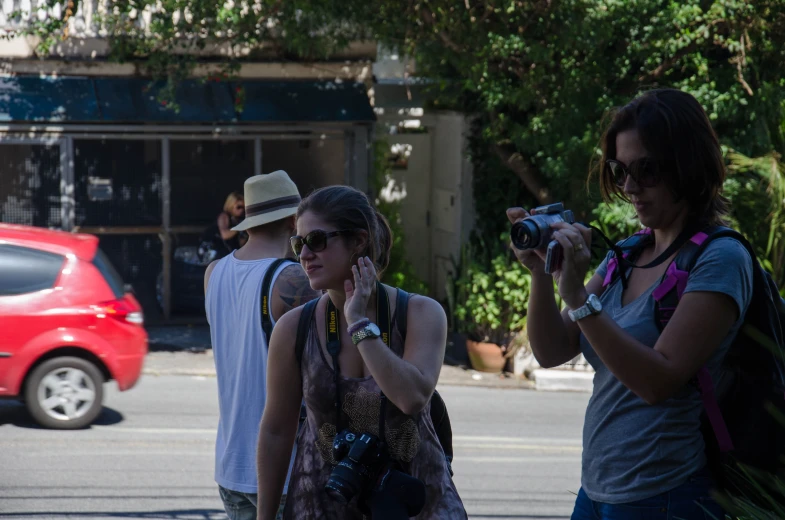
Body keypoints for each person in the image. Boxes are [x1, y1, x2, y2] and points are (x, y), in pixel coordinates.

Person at [508, 88, 753, 519]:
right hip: (597, 492)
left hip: (666, 496)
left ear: (688, 164)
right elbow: (550, 350)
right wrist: (540, 275)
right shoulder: (628, 251)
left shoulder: (720, 258)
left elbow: (657, 382)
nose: (630, 187)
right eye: (619, 170)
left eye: (647, 170)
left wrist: (580, 298)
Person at [256, 185, 467, 520]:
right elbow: (276, 430)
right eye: (299, 244)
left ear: (359, 241)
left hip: (413, 505)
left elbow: (410, 397)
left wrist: (357, 323)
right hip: (322, 505)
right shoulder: (294, 328)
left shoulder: (421, 314)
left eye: (317, 240)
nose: (305, 255)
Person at [204, 171, 321, 520]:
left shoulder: (214, 272)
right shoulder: (292, 279)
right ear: (293, 220)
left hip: (230, 465)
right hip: (284, 469)